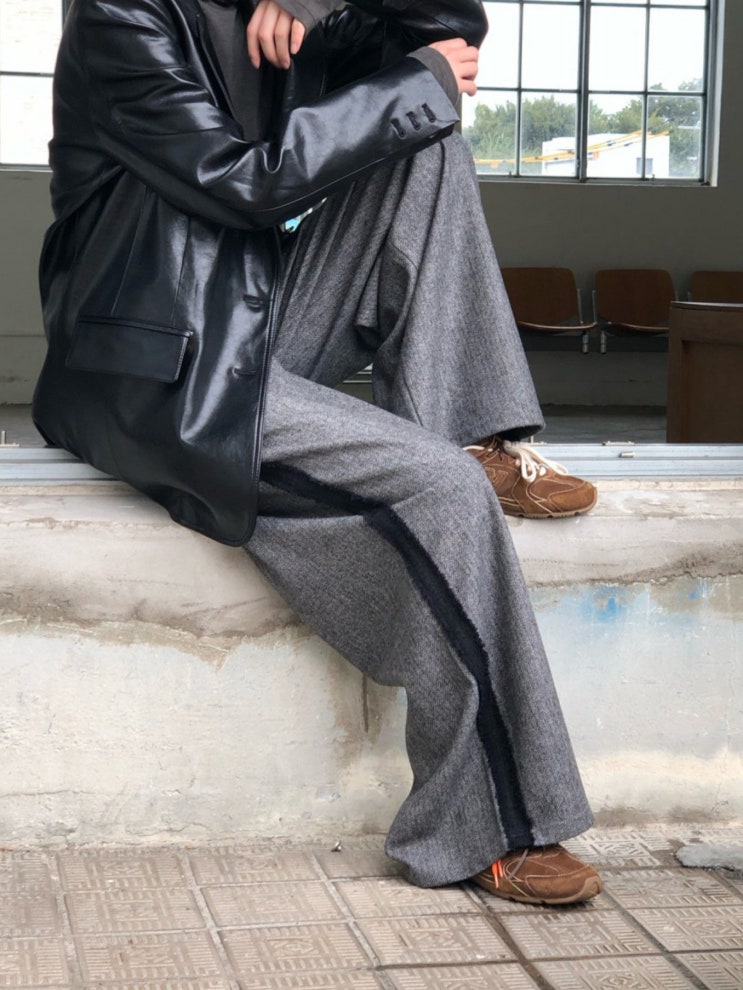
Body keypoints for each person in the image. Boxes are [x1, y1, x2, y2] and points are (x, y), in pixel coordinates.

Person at [33, 0, 602, 904]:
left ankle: (473, 428)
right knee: (444, 491)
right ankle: (487, 830)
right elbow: (240, 183)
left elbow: (453, 25)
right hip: (160, 366)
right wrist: (413, 82)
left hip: (259, 314)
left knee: (426, 146)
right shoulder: (120, 15)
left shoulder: (284, 9)